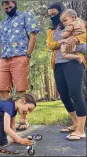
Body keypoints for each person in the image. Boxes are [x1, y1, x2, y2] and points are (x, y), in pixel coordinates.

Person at [0, 1, 39, 131]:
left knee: (21, 90)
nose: (8, 10)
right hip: (4, 59)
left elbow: (33, 35)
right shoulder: (3, 23)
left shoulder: (25, 16)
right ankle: (6, 121)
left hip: (19, 57)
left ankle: (23, 121)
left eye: (10, 7)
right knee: (2, 89)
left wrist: (28, 55)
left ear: (15, 4)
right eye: (6, 8)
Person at [47, 2, 87, 141]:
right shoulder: (52, 30)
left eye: (55, 14)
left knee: (76, 95)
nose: (53, 17)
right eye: (50, 15)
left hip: (73, 63)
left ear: (62, 12)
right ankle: (75, 124)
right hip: (58, 64)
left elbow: (84, 40)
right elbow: (50, 45)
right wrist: (62, 43)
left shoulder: (79, 24)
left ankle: (81, 130)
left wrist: (75, 40)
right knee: (64, 96)